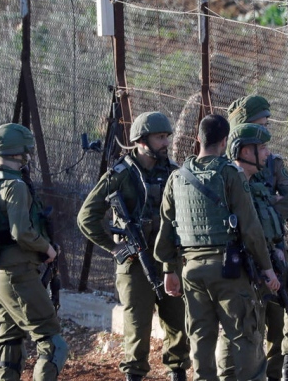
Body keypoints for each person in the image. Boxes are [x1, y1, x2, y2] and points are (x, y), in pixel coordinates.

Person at [154, 114, 279, 381]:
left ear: (198, 139)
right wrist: (267, 268)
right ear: (225, 142)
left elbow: (166, 229)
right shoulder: (230, 174)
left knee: (200, 337)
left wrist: (169, 270)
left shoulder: (177, 177)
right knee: (244, 336)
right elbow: (251, 228)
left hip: (191, 271)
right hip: (228, 270)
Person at [222, 96, 288, 381]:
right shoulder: (226, 166)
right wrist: (265, 205)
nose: (265, 130)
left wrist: (260, 207)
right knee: (253, 323)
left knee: (285, 311)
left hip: (273, 249)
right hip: (242, 254)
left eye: (266, 124)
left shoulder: (270, 162)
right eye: (259, 124)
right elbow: (233, 210)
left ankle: (284, 368)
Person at [77, 112, 190, 381]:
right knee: (137, 329)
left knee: (177, 325)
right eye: (160, 137)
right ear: (141, 141)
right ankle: (135, 375)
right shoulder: (121, 174)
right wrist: (114, 248)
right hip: (134, 265)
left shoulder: (174, 173)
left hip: (169, 263)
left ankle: (177, 373)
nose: (165, 143)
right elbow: (87, 218)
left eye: (166, 137)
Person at [0, 123, 68, 380]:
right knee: (54, 346)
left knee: (9, 349)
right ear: (19, 153)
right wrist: (48, 248)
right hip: (18, 275)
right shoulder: (15, 186)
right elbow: (21, 232)